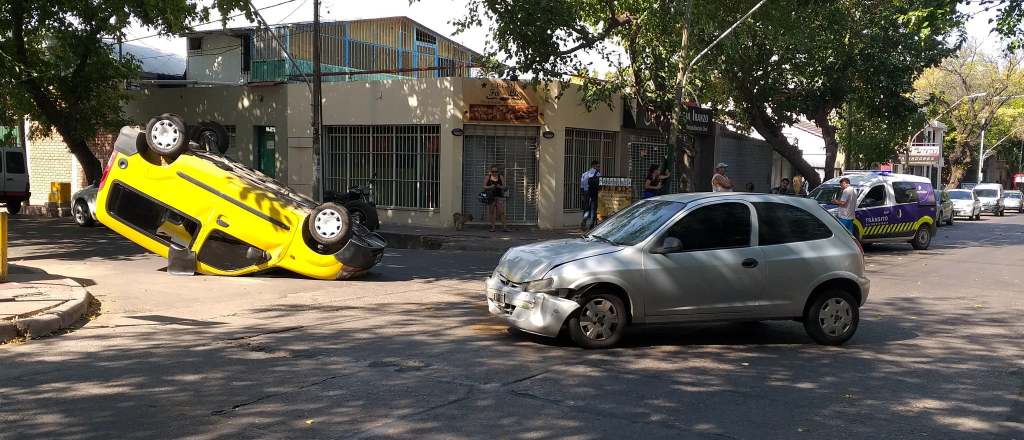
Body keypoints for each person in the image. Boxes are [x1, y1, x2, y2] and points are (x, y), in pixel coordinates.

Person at [482, 165, 509, 232]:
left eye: (496, 172)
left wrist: (499, 186)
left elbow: (504, 187)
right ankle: (493, 227)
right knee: (491, 212)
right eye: (493, 171)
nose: (494, 173)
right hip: (491, 197)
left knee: (501, 212)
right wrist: (491, 186)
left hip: (499, 196)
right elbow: (484, 187)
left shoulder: (500, 177)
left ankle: (505, 227)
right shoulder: (487, 177)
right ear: (491, 171)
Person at [579, 160, 601, 231]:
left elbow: (581, 186)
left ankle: (584, 220)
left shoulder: (584, 174)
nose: (598, 168)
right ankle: (591, 226)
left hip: (586, 193)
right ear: (594, 166)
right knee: (593, 209)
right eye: (598, 166)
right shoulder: (597, 174)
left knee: (586, 209)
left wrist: (582, 195)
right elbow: (599, 185)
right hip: (594, 193)